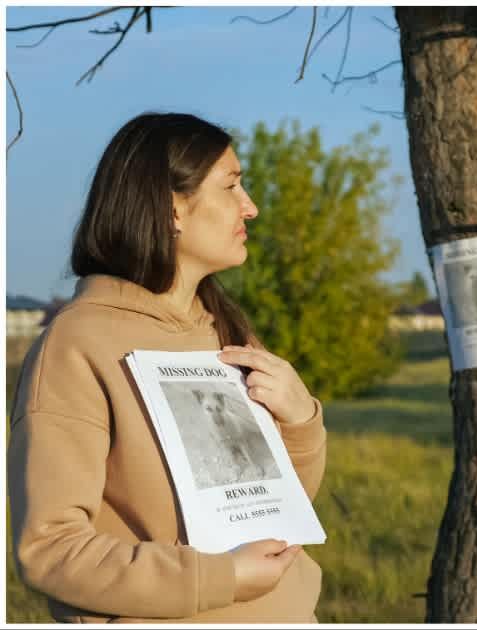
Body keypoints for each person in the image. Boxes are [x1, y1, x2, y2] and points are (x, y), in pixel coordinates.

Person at [7, 113, 327, 622]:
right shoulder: (77, 345)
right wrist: (219, 579)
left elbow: (276, 512)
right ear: (172, 208)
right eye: (232, 186)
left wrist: (300, 420)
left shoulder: (227, 331)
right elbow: (50, 550)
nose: (251, 206)